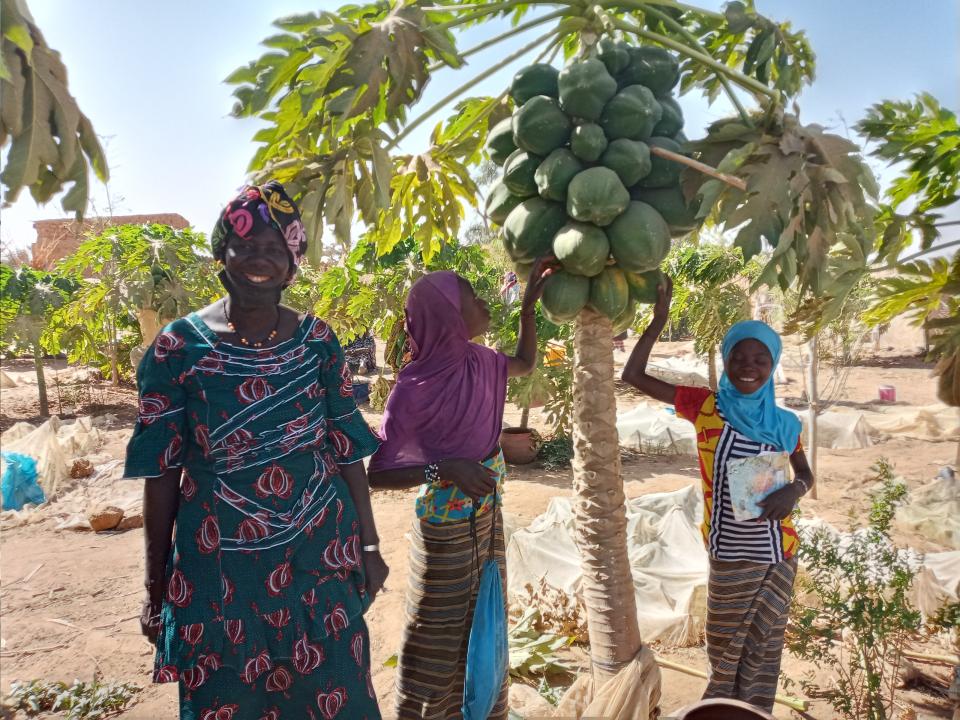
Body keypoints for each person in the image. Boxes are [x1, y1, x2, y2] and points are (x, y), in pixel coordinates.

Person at [125, 182, 388, 720]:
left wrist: (368, 545)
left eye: (274, 248)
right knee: (228, 699)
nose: (259, 259)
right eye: (245, 246)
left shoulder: (318, 339)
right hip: (219, 568)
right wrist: (156, 587)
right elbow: (162, 471)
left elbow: (344, 447)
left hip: (318, 553)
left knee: (336, 691)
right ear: (222, 255)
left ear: (293, 260)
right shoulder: (177, 347)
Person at [367, 260, 552, 720]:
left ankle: (488, 710)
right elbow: (380, 473)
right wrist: (442, 468)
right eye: (472, 294)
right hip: (444, 533)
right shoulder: (412, 390)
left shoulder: (485, 362)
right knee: (438, 637)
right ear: (450, 313)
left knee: (486, 627)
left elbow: (525, 363)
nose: (485, 300)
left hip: (488, 521)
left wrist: (527, 309)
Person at [621, 278, 813, 714]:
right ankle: (720, 712)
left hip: (776, 554)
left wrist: (794, 491)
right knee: (724, 653)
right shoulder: (705, 405)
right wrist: (659, 322)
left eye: (760, 358)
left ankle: (753, 715)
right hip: (727, 553)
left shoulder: (786, 423)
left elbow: (804, 473)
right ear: (726, 361)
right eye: (738, 357)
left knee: (763, 654)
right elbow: (632, 376)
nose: (749, 366)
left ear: (773, 363)